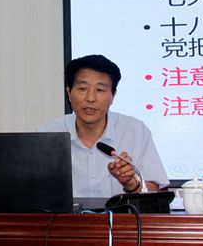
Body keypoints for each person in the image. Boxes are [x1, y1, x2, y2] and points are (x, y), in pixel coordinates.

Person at [39, 54, 169, 198]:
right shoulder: (48, 134)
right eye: (82, 88)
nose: (90, 98)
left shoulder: (136, 131)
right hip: (65, 214)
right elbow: (34, 190)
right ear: (69, 93)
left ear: (113, 96)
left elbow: (154, 191)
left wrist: (131, 183)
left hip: (121, 213)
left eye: (100, 90)